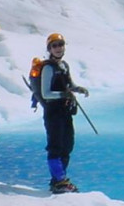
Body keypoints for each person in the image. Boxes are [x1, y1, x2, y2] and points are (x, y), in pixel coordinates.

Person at [39, 33, 89, 194]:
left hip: (64, 111)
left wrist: (77, 89)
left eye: (60, 44)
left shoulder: (64, 65)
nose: (58, 48)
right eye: (54, 45)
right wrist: (63, 95)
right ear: (49, 49)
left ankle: (59, 180)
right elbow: (46, 93)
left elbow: (68, 84)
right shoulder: (47, 68)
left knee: (67, 145)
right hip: (53, 112)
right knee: (56, 146)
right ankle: (59, 181)